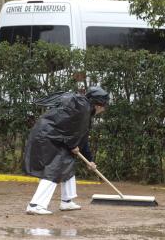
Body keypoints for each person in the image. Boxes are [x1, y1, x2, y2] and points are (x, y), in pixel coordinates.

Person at [24, 86, 109, 215]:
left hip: (52, 136)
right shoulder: (82, 110)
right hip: (47, 136)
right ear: (98, 105)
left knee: (67, 160)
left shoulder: (84, 109)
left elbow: (82, 138)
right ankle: (35, 205)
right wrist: (72, 145)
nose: (103, 110)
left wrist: (89, 160)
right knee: (54, 168)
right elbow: (70, 132)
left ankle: (67, 201)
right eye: (104, 107)